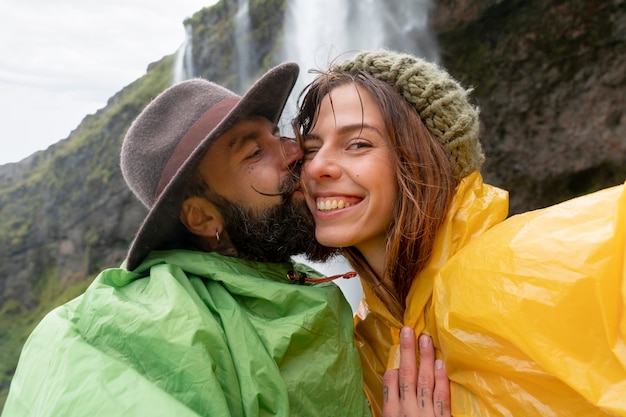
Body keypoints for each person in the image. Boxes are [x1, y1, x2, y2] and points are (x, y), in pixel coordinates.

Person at [3, 62, 372, 417]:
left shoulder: (288, 278)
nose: (297, 151)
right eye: (254, 152)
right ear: (202, 217)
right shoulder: (153, 324)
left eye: (275, 133)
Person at [294, 49, 626, 417]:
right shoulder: (361, 343)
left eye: (358, 144)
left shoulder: (533, 263)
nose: (317, 166)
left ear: (428, 156)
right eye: (310, 149)